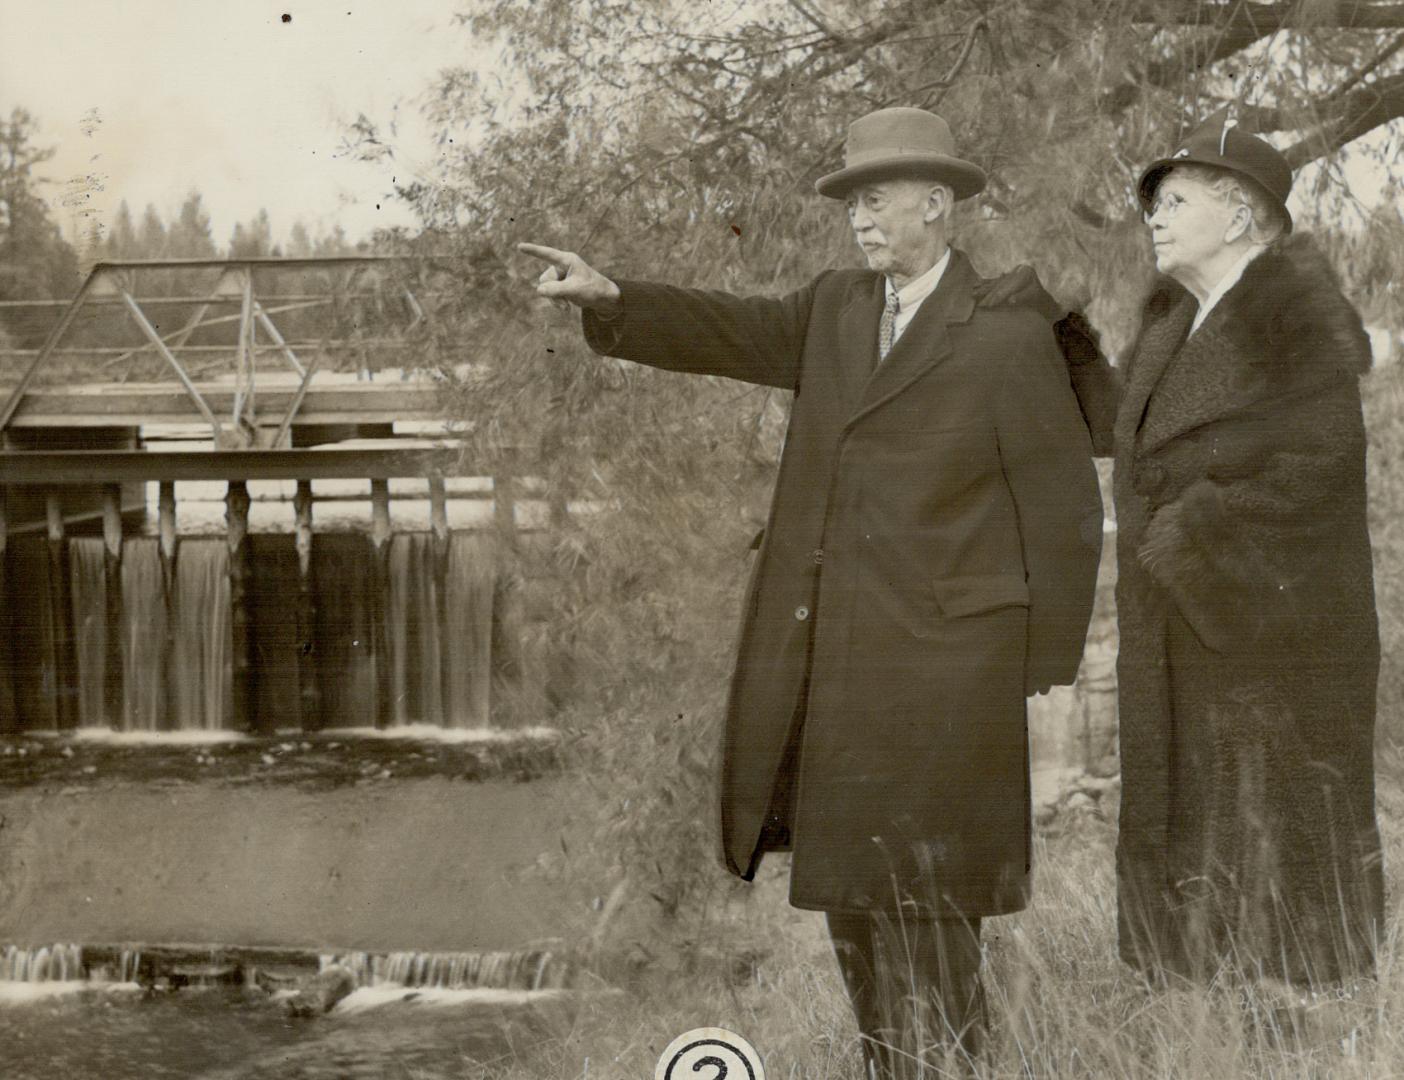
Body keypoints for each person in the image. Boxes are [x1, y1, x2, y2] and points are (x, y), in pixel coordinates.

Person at [520, 106, 1103, 1075]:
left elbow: (1066, 508)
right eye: (851, 204)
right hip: (837, 668)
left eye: (877, 201)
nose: (860, 221)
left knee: (934, 904)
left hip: (950, 680)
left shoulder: (1004, 335)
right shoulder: (836, 309)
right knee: (852, 902)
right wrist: (614, 296)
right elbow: (732, 328)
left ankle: (954, 1068)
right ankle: (886, 1066)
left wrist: (1040, 662)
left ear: (938, 204)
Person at [1017, 111, 1384, 993]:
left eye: (1173, 200)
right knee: (1191, 836)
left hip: (1271, 645)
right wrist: (1066, 345)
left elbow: (1322, 465)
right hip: (1178, 634)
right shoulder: (1173, 324)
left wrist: (1194, 539)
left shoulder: (1298, 321)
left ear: (1242, 214)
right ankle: (1198, 1015)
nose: (1153, 216)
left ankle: (1295, 1021)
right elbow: (1143, 442)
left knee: (1273, 850)